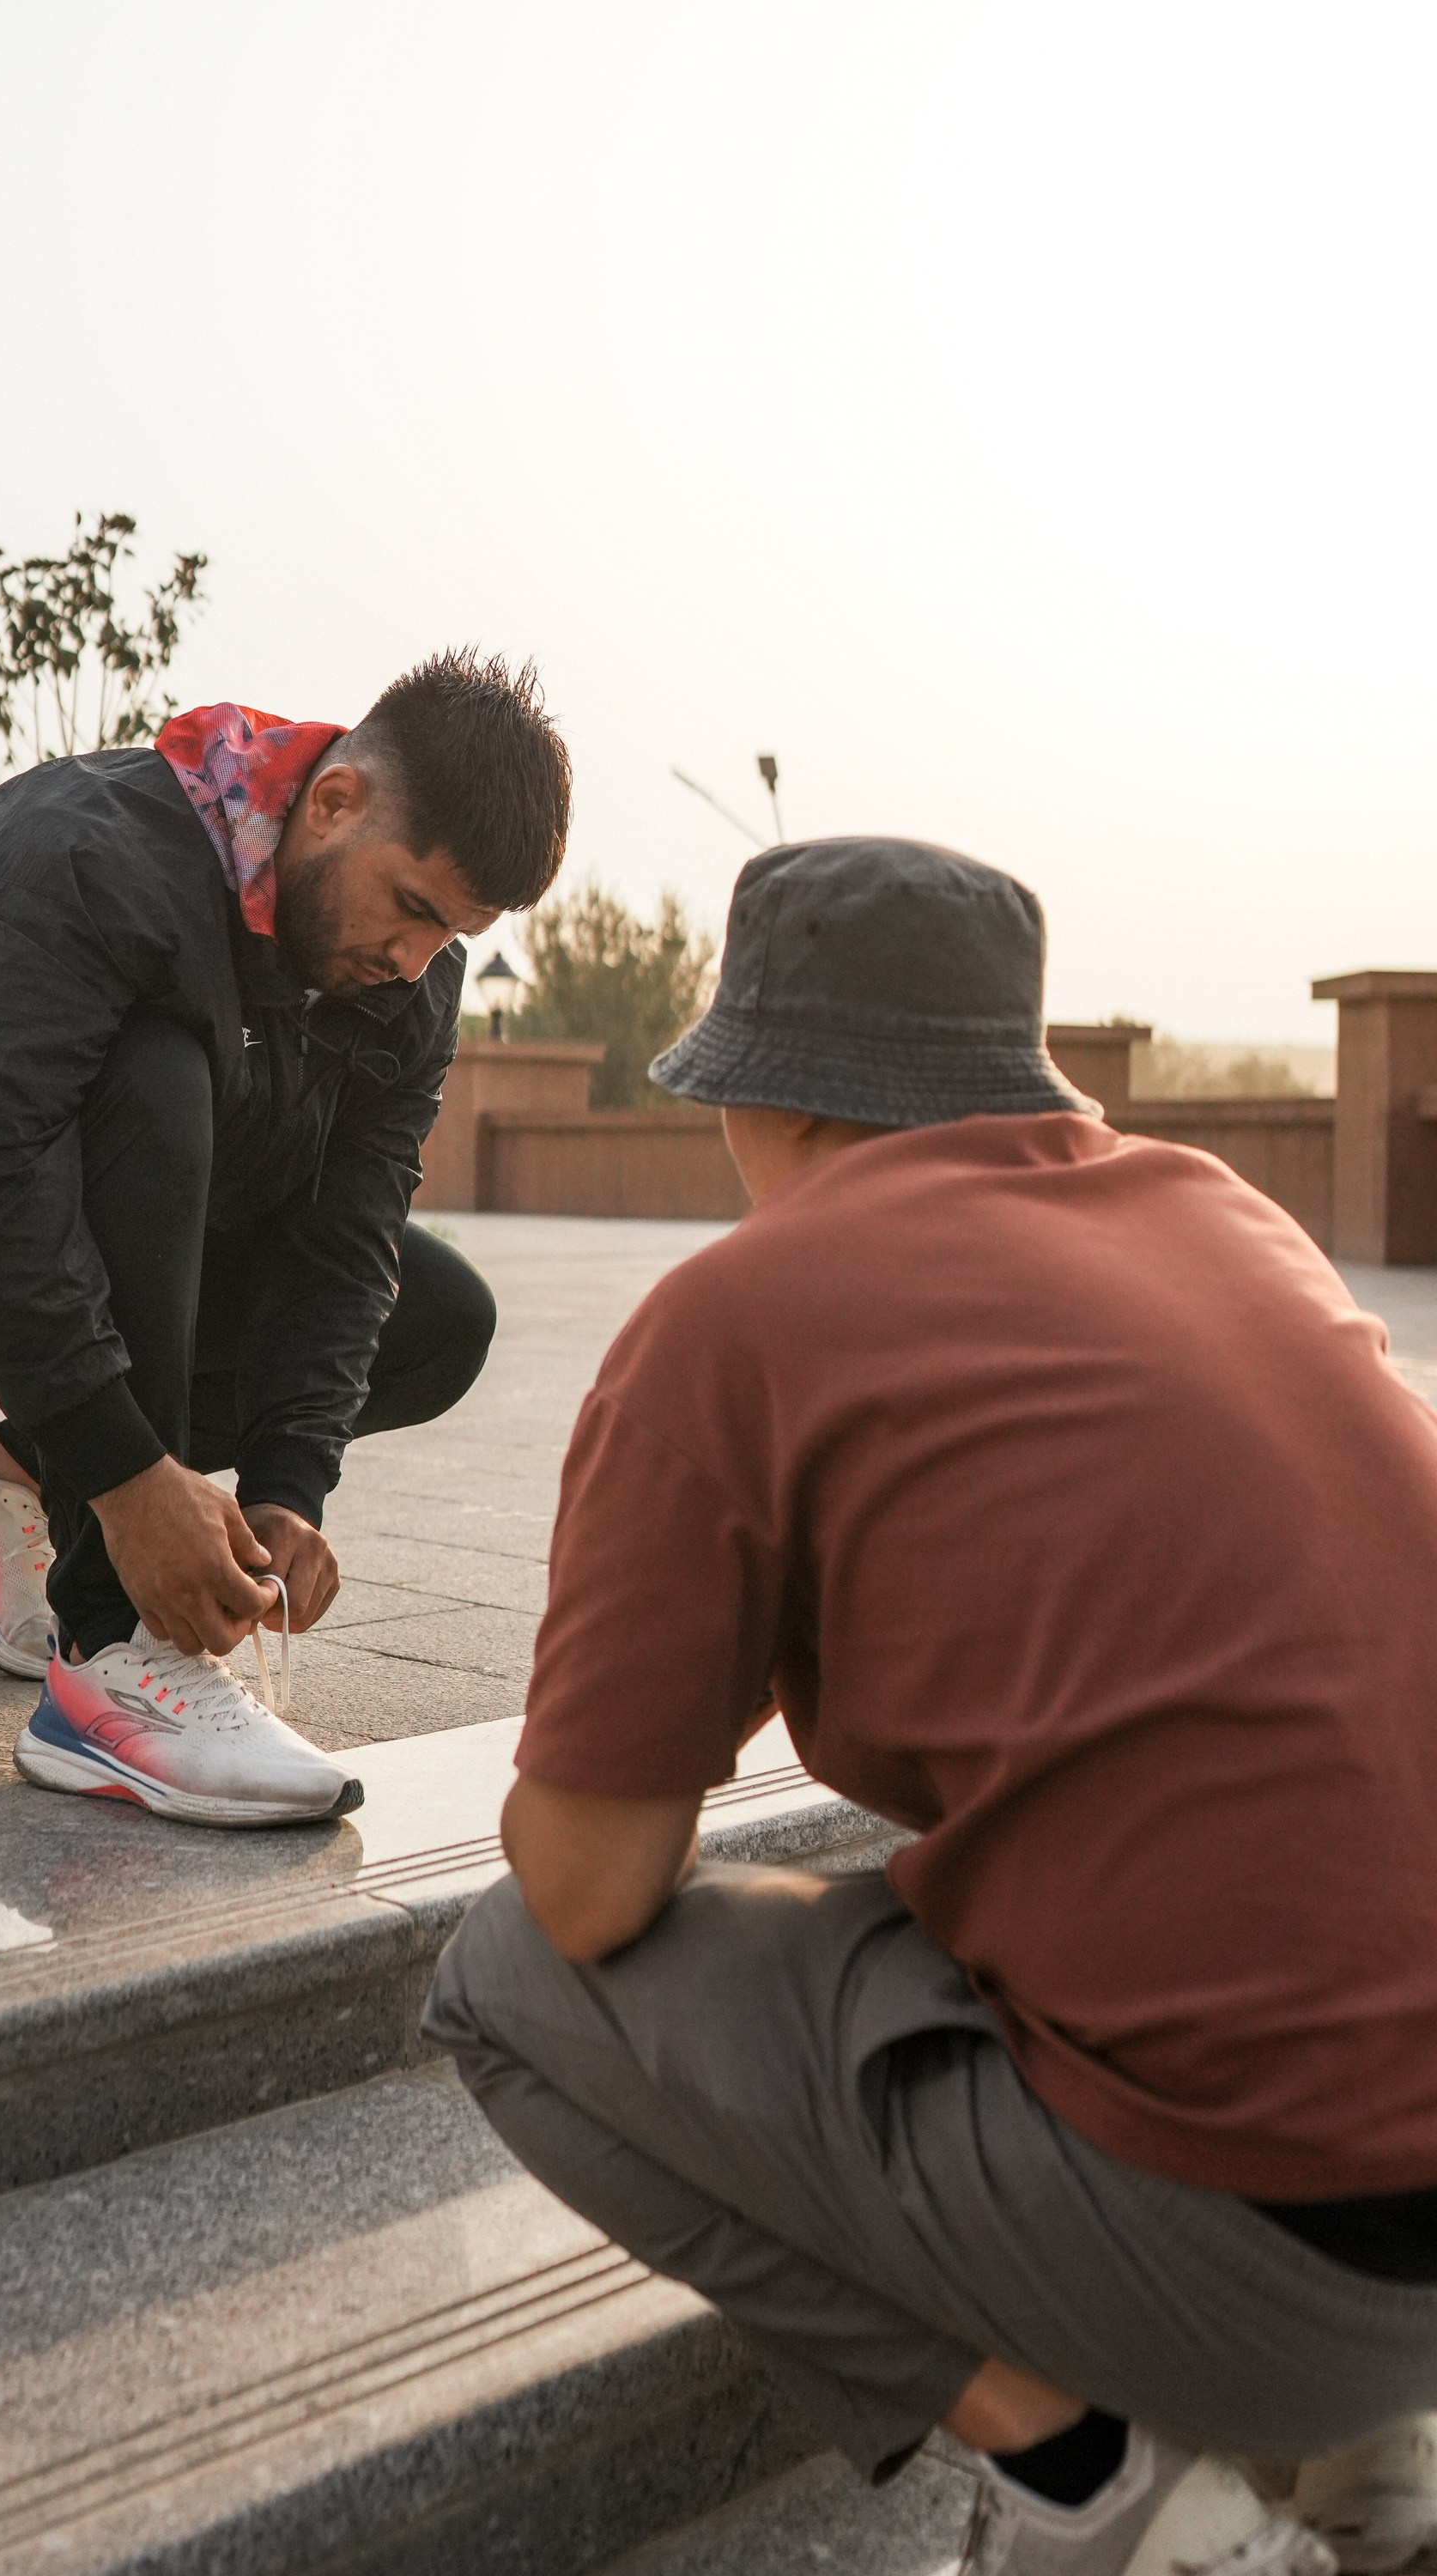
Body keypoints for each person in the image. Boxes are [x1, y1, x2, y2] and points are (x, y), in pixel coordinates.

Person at [424, 837, 1437, 2576]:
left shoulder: (736, 1317)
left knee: (506, 1982)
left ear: (774, 1102)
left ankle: (1094, 2476)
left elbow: (589, 1887)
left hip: (1266, 2266)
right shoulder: (1222, 1216)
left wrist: (699, 1651)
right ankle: (1382, 2471)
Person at [0, 650, 570, 1826]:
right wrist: (128, 1485)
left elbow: (346, 1239)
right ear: (333, 803)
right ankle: (112, 1664)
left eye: (453, 935)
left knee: (435, 1322)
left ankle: (5, 1472)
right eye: (414, 909)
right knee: (155, 1064)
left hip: (72, 1188)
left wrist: (288, 1490)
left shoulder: (405, 982)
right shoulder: (84, 848)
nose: (414, 960)